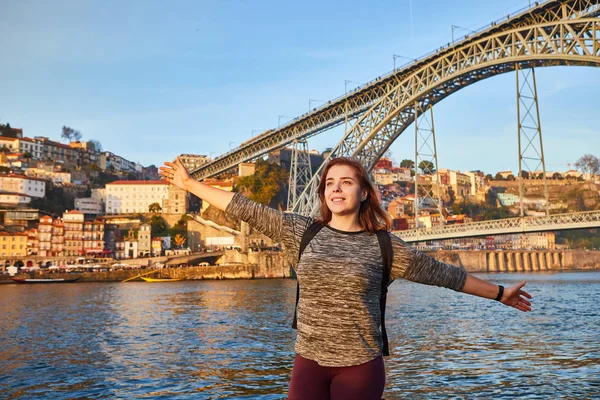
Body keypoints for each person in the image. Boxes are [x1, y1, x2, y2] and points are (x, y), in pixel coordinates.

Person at [159, 156, 532, 400]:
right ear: (323, 192)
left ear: (364, 192)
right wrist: (190, 185)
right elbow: (245, 207)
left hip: (360, 370)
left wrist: (500, 293)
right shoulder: (300, 231)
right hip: (308, 363)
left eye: (346, 182)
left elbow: (445, 275)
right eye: (330, 182)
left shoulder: (386, 247)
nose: (336, 187)